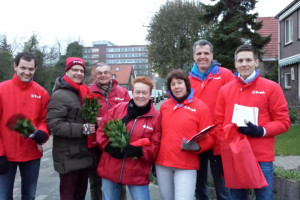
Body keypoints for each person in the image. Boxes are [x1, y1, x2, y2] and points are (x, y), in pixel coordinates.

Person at [214, 44, 291, 200]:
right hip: (234, 155)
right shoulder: (225, 90)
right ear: (235, 64)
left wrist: (261, 130)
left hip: (261, 156)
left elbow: (283, 121)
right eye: (240, 60)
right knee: (236, 198)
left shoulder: (272, 88)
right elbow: (218, 125)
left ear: (256, 62)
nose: (244, 64)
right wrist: (221, 155)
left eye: (248, 60)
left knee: (264, 197)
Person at [97, 76, 161, 200]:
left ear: (150, 94)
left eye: (144, 92)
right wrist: (108, 146)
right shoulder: (118, 109)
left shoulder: (156, 117)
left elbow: (156, 145)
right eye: (137, 92)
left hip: (137, 173)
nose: (140, 96)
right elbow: (102, 131)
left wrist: (140, 151)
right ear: (132, 93)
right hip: (111, 168)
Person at [155, 69, 216, 200]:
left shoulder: (201, 107)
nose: (176, 87)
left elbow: (210, 137)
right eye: (173, 84)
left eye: (179, 83)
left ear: (186, 84)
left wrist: (198, 147)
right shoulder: (165, 106)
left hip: (186, 165)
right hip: (162, 165)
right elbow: (158, 134)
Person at [0, 52, 49, 199]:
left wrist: (42, 132)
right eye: (23, 68)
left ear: (35, 69)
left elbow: (43, 120)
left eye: (31, 69)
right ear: (15, 66)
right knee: (4, 196)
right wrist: (0, 153)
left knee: (29, 195)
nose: (27, 72)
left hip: (31, 153)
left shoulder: (42, 93)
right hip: (6, 154)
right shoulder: (2, 90)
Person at [189, 39, 233, 200]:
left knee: (223, 188)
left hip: (220, 140)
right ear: (194, 56)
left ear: (212, 55)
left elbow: (235, 102)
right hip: (198, 139)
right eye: (199, 54)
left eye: (206, 53)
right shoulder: (187, 80)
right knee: (199, 186)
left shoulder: (225, 75)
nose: (203, 57)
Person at [46, 57, 95, 200]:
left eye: (81, 70)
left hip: (83, 152)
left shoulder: (83, 92)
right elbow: (54, 124)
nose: (79, 73)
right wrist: (83, 129)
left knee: (80, 195)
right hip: (68, 155)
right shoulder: (60, 95)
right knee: (68, 195)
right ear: (66, 71)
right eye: (75, 70)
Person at [88, 62, 130, 200]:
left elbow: (130, 113)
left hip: (116, 141)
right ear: (95, 75)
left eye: (105, 72)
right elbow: (84, 114)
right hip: (95, 143)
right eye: (99, 73)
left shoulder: (122, 92)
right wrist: (94, 120)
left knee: (119, 177)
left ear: (111, 74)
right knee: (95, 178)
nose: (103, 75)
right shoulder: (89, 92)